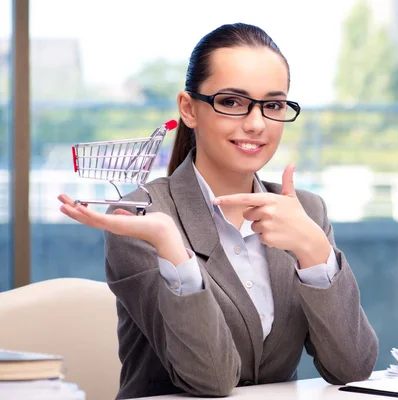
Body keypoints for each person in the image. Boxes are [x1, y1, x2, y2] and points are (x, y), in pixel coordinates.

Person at [58, 22, 378, 399]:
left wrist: (315, 252)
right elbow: (209, 379)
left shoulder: (304, 211)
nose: (256, 123)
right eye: (231, 102)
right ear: (189, 109)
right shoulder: (141, 217)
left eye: (273, 105)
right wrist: (172, 247)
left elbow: (352, 368)